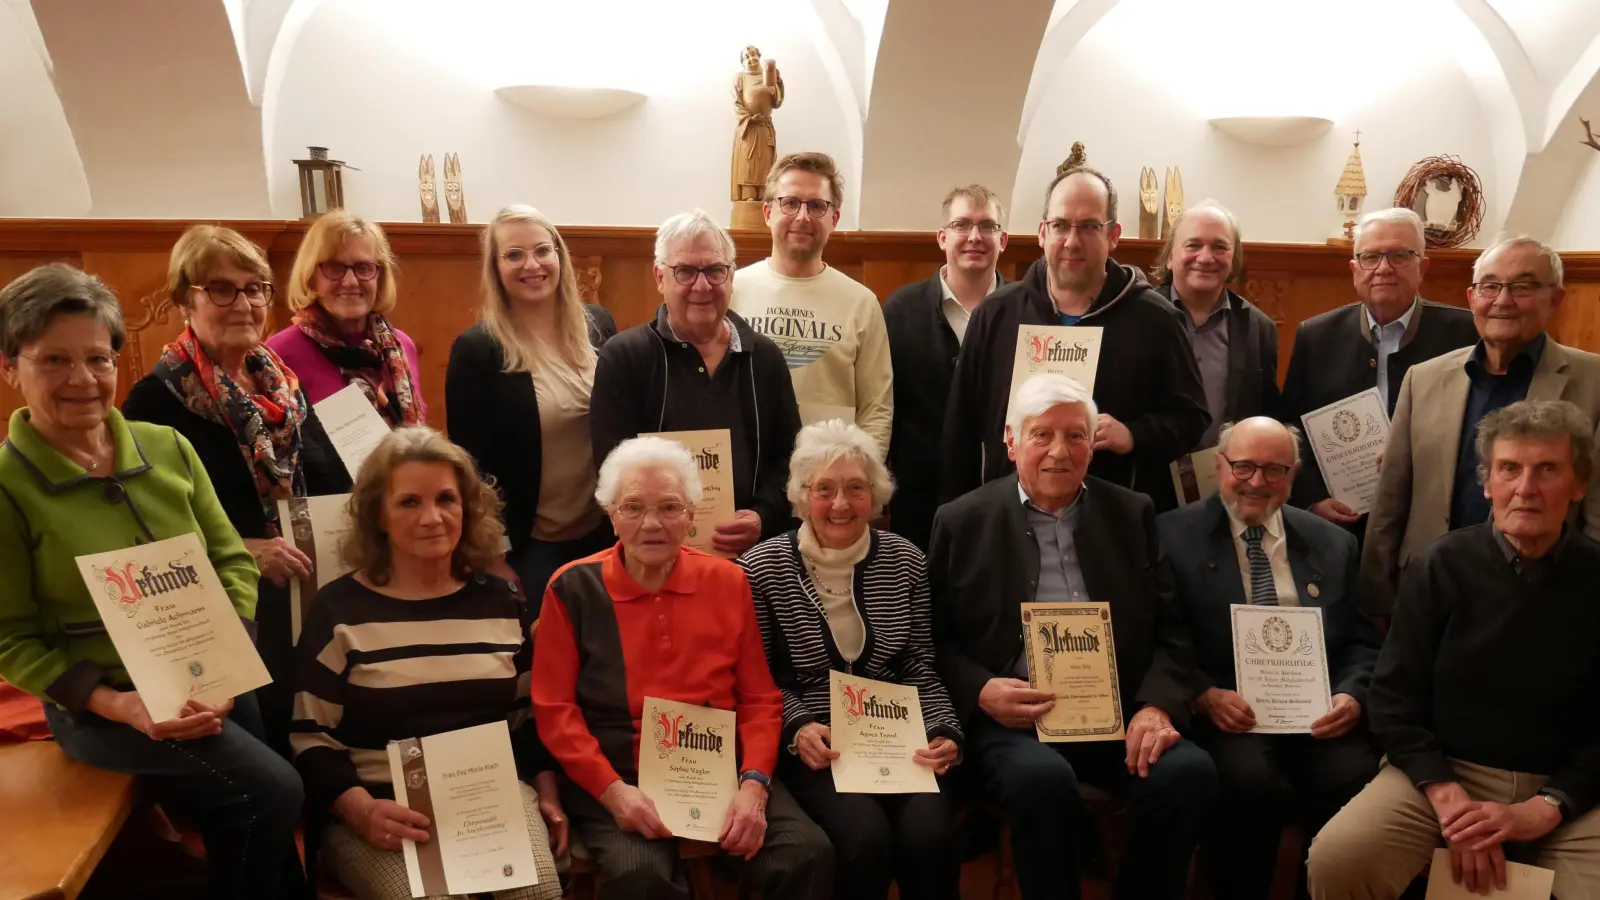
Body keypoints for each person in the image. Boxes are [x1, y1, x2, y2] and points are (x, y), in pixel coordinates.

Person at [0, 264, 306, 899]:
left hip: (208, 669)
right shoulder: (6, 485)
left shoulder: (167, 447)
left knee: (260, 801)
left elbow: (233, 560)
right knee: (270, 790)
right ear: (10, 368)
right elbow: (10, 638)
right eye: (54, 360)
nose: (83, 380)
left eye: (98, 358)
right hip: (102, 703)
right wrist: (122, 706)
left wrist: (223, 662)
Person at [928, 372, 1215, 900]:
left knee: (1189, 772)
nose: (1060, 451)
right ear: (1011, 441)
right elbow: (933, 640)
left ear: (1092, 444)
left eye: (1076, 435)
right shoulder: (961, 520)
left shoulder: (1132, 514)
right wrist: (981, 690)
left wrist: (1155, 708)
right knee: (1040, 782)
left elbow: (1172, 630)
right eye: (1042, 435)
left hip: (1116, 713)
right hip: (1014, 723)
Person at [1309, 399, 1600, 900]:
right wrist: (1450, 802)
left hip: (1567, 788)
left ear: (1578, 486)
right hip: (1444, 775)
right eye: (1509, 469)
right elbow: (1393, 701)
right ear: (1487, 483)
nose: (1526, 489)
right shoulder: (1440, 565)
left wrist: (1547, 805)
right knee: (1340, 859)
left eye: (1547, 469)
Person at [532, 436, 833, 900]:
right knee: (640, 876)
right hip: (616, 767)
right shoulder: (571, 588)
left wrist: (754, 786)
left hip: (719, 767)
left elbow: (759, 699)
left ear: (692, 516)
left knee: (804, 855)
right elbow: (554, 711)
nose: (651, 524)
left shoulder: (728, 581)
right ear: (612, 516)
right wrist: (612, 791)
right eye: (633, 507)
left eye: (669, 508)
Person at [290, 426, 563, 900]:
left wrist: (548, 794)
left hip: (491, 798)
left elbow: (526, 719)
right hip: (381, 809)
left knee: (536, 895)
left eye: (446, 499)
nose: (432, 517)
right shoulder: (338, 611)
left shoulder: (501, 601)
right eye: (409, 502)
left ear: (467, 508)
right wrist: (359, 811)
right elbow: (310, 736)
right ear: (378, 513)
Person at [122, 224, 352, 754]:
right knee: (269, 746)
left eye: (254, 288)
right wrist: (247, 552)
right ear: (185, 300)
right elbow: (144, 536)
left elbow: (326, 479)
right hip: (223, 608)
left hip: (302, 586)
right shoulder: (155, 402)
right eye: (221, 289)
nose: (243, 303)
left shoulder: (281, 385)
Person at [1156, 417, 1380, 900]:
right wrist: (1202, 694)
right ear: (1219, 466)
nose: (1257, 482)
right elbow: (1157, 638)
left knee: (1355, 777)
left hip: (1318, 714)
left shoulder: (1334, 543)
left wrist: (1351, 695)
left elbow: (1364, 641)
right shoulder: (1170, 537)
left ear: (1293, 474)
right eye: (1243, 466)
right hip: (1228, 712)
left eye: (1273, 470)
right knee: (1251, 785)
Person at [740, 420, 962, 900]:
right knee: (865, 838)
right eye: (824, 489)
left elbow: (920, 662)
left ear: (875, 495)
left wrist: (945, 731)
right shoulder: (760, 568)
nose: (840, 504)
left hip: (897, 737)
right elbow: (756, 678)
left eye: (855, 488)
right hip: (818, 742)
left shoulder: (906, 560)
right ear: (801, 495)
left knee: (931, 837)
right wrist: (798, 727)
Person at [941, 166, 1210, 514]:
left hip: (1110, 522)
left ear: (1113, 235)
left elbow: (1192, 418)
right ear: (1042, 232)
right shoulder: (996, 314)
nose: (1071, 240)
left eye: (1088, 226)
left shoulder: (1155, 319)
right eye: (1060, 225)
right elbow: (960, 430)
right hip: (1007, 520)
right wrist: (957, 522)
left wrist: (1134, 434)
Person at [1363, 236, 1600, 614]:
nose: (1502, 300)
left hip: (1546, 599)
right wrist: (1377, 598)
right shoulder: (1422, 379)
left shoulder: (1594, 382)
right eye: (1490, 286)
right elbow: (1391, 499)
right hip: (1428, 592)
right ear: (1473, 298)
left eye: (1522, 287)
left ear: (1555, 299)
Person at [591, 209, 802, 557]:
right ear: (660, 277)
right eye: (685, 271)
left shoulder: (764, 358)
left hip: (752, 556)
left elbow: (790, 459)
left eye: (715, 270)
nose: (702, 286)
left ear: (731, 277)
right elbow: (610, 468)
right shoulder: (624, 358)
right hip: (652, 557)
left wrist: (762, 516)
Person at [447, 205, 619, 597]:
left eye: (542, 250)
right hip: (531, 547)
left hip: (605, 534)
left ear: (559, 256)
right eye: (513, 254)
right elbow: (471, 469)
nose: (532, 264)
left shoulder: (599, 325)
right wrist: (494, 555)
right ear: (495, 267)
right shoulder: (478, 350)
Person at [1281, 207, 1475, 535]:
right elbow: (1291, 426)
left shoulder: (1465, 334)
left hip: (1433, 516)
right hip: (1342, 520)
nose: (1383, 268)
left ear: (1422, 267)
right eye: (1370, 257)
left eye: (1399, 255)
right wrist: (1312, 498)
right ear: (1354, 269)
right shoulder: (1315, 336)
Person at [731, 151, 893, 454]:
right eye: (790, 203)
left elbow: (876, 408)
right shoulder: (732, 290)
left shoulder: (861, 302)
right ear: (768, 213)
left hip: (830, 482)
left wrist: (863, 478)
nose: (802, 217)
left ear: (834, 218)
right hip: (750, 473)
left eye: (817, 205)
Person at [882, 184, 1009, 549]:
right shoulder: (900, 311)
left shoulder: (1025, 311)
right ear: (942, 237)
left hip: (1004, 499)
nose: (974, 237)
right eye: (961, 225)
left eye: (987, 226)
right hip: (919, 504)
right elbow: (884, 406)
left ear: (1003, 240)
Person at [267, 210, 426, 425]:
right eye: (335, 267)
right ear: (311, 276)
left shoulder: (402, 346)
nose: (351, 281)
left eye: (363, 267)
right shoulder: (280, 354)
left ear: (380, 275)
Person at [1151, 203, 1281, 448]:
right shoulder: (1139, 316)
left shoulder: (1260, 328)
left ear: (1234, 259)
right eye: (1193, 245)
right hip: (1146, 478)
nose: (1206, 257)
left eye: (1219, 247)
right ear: (1170, 256)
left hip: (1226, 479)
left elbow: (1267, 413)